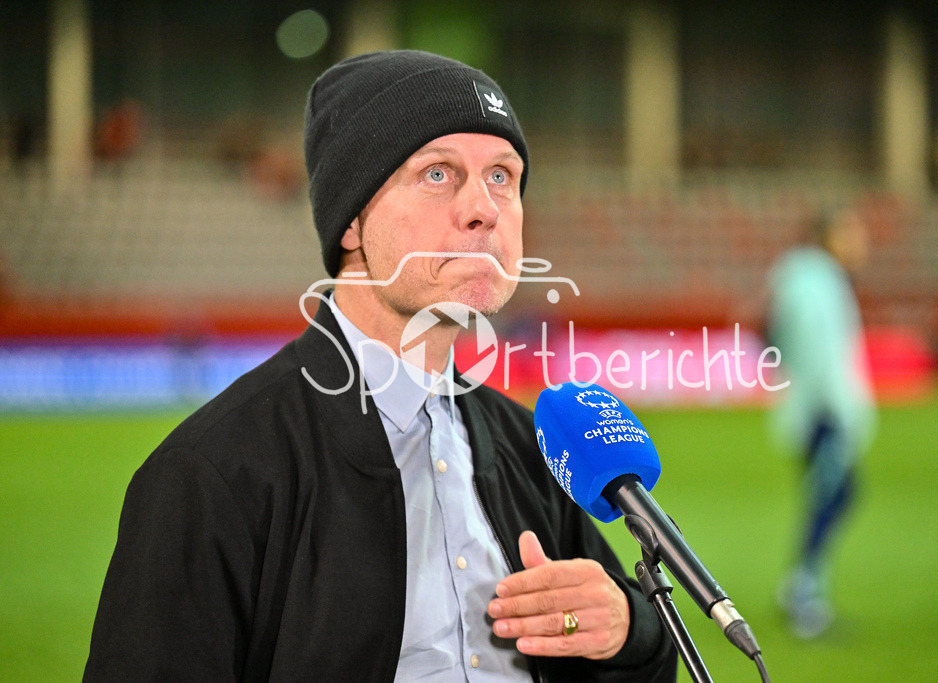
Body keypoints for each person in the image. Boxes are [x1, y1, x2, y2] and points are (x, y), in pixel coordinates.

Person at [84, 50, 676, 681]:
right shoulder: (212, 473)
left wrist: (629, 629)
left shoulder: (531, 449)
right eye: (438, 174)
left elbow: (645, 660)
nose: (485, 209)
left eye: (502, 176)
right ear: (352, 220)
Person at [767, 207, 876, 639]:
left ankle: (804, 589)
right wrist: (835, 408)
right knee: (830, 497)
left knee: (833, 496)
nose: (860, 243)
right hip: (822, 413)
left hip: (809, 408)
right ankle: (804, 594)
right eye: (850, 233)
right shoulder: (817, 282)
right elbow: (820, 348)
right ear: (828, 238)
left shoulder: (800, 278)